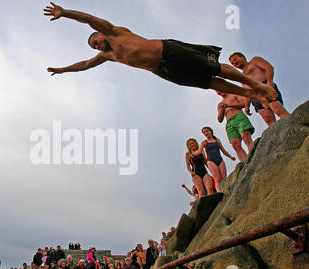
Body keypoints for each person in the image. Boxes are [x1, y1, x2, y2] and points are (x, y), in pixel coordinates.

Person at [44, 3, 278, 108]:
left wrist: (64, 13)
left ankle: (254, 84)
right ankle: (249, 94)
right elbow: (84, 65)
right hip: (163, 71)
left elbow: (88, 19)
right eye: (94, 47)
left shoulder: (113, 32)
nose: (97, 47)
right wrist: (63, 70)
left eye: (96, 42)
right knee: (207, 83)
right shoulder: (108, 56)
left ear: (101, 34)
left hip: (168, 50)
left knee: (213, 68)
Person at [229, 52, 289, 126]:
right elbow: (246, 91)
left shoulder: (254, 61)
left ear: (243, 57)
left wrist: (270, 82)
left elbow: (268, 67)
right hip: (255, 96)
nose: (234, 63)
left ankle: (294, 125)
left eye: (235, 59)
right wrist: (247, 106)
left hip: (264, 87)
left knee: (278, 110)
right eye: (232, 63)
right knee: (268, 119)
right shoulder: (241, 75)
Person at [192, 127, 236, 192]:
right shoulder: (204, 142)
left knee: (224, 178)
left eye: (206, 131)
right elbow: (199, 151)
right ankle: (219, 192)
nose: (205, 133)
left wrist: (230, 156)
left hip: (220, 160)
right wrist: (194, 154)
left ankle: (226, 190)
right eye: (204, 132)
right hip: (211, 161)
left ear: (211, 131)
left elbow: (223, 150)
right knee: (217, 179)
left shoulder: (217, 141)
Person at [217, 92, 255, 162]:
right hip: (229, 123)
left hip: (239, 116)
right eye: (216, 91)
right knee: (235, 144)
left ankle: (255, 156)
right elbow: (219, 119)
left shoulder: (234, 95)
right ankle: (245, 163)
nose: (218, 91)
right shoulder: (220, 104)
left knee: (246, 137)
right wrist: (222, 110)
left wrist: (229, 105)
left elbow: (244, 103)